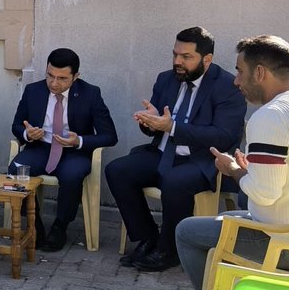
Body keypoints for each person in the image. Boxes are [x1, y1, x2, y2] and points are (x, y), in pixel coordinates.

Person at [176, 35, 289, 290]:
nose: (236, 81)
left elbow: (264, 194)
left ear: (259, 73)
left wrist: (235, 171)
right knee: (224, 219)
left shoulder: (269, 116)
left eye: (240, 71)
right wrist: (253, 171)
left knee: (186, 232)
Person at [104, 27, 247, 272]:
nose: (177, 62)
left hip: (200, 160)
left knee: (174, 181)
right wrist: (149, 123)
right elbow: (159, 122)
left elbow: (224, 136)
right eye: (175, 55)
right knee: (117, 170)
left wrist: (173, 126)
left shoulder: (227, 86)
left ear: (207, 59)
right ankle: (148, 238)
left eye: (186, 57)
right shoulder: (166, 79)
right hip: (162, 153)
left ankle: (169, 251)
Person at [9, 48, 117, 252]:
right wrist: (27, 134)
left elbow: (110, 136)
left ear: (76, 76)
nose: (54, 83)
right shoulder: (34, 91)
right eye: (50, 75)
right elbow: (16, 125)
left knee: (71, 175)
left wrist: (80, 141)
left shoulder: (91, 94)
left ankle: (60, 226)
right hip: (41, 147)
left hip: (73, 152)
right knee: (16, 170)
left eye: (62, 78)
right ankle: (34, 225)